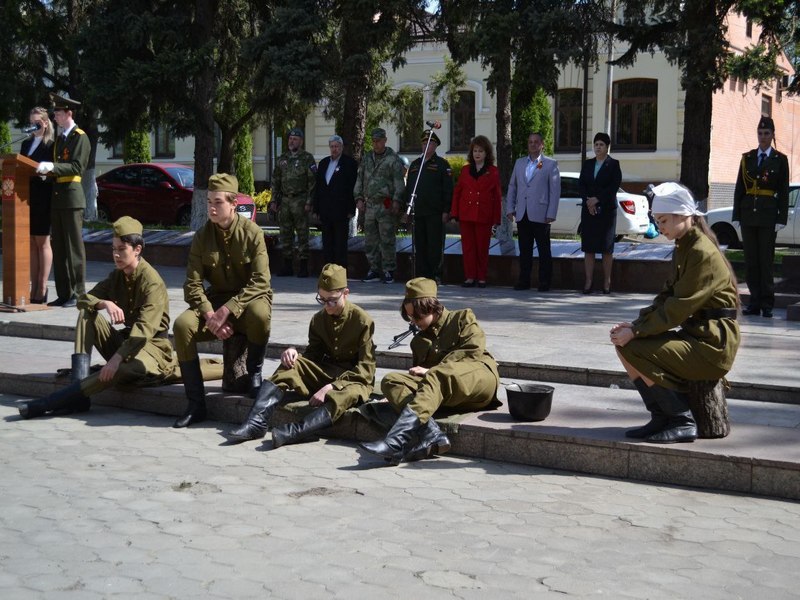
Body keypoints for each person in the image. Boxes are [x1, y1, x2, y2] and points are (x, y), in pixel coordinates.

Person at [610, 182, 740, 444]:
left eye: (664, 220)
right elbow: (667, 296)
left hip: (712, 347)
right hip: (698, 337)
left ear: (684, 216)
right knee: (626, 345)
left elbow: (678, 308)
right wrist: (635, 325)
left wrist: (636, 331)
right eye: (657, 221)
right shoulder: (686, 245)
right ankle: (661, 417)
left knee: (633, 347)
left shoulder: (701, 251)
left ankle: (682, 420)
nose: (660, 227)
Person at [18, 217, 178, 419]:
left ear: (137, 250)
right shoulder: (117, 276)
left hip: (153, 349)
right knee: (88, 313)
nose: (116, 255)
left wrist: (116, 359)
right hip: (127, 342)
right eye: (113, 249)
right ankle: (80, 392)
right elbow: (83, 300)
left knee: (123, 369)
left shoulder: (151, 282)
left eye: (122, 249)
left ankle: (51, 402)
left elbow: (143, 331)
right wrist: (104, 303)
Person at [228, 263, 376, 447]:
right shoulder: (318, 320)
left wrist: (332, 387)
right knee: (289, 366)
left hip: (354, 380)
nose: (327, 306)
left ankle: (295, 432)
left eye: (332, 300)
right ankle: (256, 422)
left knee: (344, 396)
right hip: (327, 372)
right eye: (321, 299)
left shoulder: (362, 321)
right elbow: (313, 357)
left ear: (346, 293)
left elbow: (365, 370)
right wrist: (294, 354)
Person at [359, 277, 500, 465]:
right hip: (447, 392)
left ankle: (394, 441)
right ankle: (433, 434)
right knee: (391, 381)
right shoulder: (418, 341)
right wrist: (399, 395)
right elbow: (425, 383)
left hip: (479, 380)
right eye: (410, 317)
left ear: (431, 307)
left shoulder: (462, 318)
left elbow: (473, 351)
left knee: (435, 374)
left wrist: (432, 370)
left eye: (417, 317)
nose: (414, 322)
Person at [172, 173, 273, 428]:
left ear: (233, 204)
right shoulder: (202, 236)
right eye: (208, 202)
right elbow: (192, 285)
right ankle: (196, 404)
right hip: (215, 304)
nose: (211, 208)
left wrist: (227, 310)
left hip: (248, 302)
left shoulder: (252, 233)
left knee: (261, 314)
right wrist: (210, 315)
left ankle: (255, 373)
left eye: (217, 202)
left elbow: (261, 281)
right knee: (183, 325)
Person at [35, 94, 90, 308]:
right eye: (55, 113)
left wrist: (52, 167)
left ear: (69, 113)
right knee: (59, 249)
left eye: (58, 113)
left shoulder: (80, 137)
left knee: (74, 248)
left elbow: (77, 167)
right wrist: (46, 173)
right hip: (58, 198)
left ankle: (79, 294)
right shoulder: (60, 138)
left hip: (72, 199)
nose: (55, 116)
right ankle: (64, 293)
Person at [732, 116, 790, 319]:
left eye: (766, 133)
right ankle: (754, 302)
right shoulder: (747, 158)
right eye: (760, 133)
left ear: (773, 135)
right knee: (751, 261)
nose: (763, 137)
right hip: (748, 215)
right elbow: (740, 187)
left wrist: (781, 218)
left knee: (765, 261)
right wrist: (736, 214)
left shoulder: (780, 160)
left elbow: (783, 191)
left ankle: (767, 303)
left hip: (767, 216)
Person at [506, 132, 561, 291]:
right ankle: (524, 280)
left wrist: (551, 213)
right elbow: (512, 187)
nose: (533, 144)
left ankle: (544, 282)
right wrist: (510, 208)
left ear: (542, 144)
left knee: (544, 250)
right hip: (522, 213)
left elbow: (554, 191)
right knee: (524, 250)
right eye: (530, 142)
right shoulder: (519, 163)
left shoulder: (550, 164)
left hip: (541, 214)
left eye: (536, 142)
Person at [354, 127, 406, 284]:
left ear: (385, 140)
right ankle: (374, 269)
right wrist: (358, 198)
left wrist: (397, 201)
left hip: (386, 205)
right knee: (370, 239)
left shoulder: (392, 159)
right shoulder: (367, 158)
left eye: (378, 141)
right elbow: (360, 179)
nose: (376, 144)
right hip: (370, 205)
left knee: (387, 238)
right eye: (374, 141)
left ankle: (389, 270)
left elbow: (399, 183)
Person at [450, 135, 502, 288]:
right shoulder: (466, 170)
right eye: (475, 151)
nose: (477, 154)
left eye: (480, 151)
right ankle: (470, 277)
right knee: (468, 248)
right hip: (466, 214)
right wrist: (455, 213)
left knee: (482, 248)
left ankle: (481, 277)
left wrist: (496, 219)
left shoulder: (493, 171)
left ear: (487, 153)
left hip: (483, 216)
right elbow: (458, 192)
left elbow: (497, 196)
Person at [405, 129, 453, 282]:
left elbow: (448, 190)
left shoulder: (442, 164)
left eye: (430, 143)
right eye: (424, 143)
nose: (426, 145)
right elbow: (409, 189)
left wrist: (446, 210)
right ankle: (421, 275)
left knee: (435, 246)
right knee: (420, 245)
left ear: (435, 146)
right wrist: (406, 209)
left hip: (435, 213)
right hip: (418, 212)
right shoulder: (414, 165)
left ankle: (435, 275)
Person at [578, 132, 622, 295]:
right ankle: (588, 281)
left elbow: (613, 186)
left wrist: (597, 199)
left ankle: (606, 281)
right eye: (596, 144)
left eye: (601, 144)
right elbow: (581, 184)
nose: (598, 147)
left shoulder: (613, 164)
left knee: (606, 247)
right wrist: (588, 201)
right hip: (589, 210)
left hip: (606, 212)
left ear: (607, 147)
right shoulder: (588, 164)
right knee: (588, 247)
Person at [271, 127, 317, 278]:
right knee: (285, 233)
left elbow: (312, 182)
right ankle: (287, 266)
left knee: (303, 233)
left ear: (301, 141)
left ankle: (303, 266)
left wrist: (309, 201)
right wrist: (273, 200)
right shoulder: (282, 158)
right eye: (290, 138)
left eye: (295, 139)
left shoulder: (307, 158)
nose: (292, 141)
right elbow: (275, 180)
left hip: (300, 200)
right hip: (285, 201)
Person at [21, 106, 55, 304]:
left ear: (44, 122)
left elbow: (50, 170)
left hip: (43, 196)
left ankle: (42, 286)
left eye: (37, 122)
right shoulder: (26, 144)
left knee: (42, 242)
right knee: (32, 243)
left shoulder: (50, 144)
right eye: (31, 122)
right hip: (26, 198)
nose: (33, 125)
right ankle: (33, 285)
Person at [313, 134, 358, 268]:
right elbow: (319, 187)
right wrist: (316, 208)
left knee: (340, 244)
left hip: (341, 211)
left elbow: (352, 187)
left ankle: (340, 272)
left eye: (337, 146)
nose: (334, 149)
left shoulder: (349, 163)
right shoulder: (324, 163)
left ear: (342, 147)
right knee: (327, 242)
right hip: (326, 211)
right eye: (332, 147)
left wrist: (351, 209)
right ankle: (328, 270)